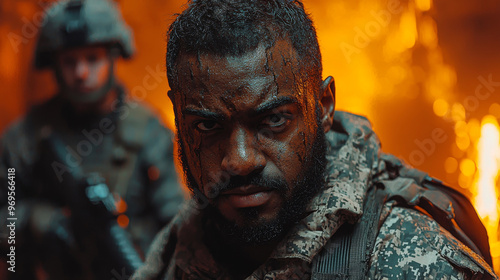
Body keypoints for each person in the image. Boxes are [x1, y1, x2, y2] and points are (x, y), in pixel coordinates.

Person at [133, 0, 497, 279]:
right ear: (178, 117)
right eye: (207, 127)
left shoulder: (411, 258)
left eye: (274, 120)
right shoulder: (179, 250)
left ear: (323, 106)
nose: (240, 160)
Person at [0, 0, 184, 279]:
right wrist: (39, 221)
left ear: (113, 57)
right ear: (54, 64)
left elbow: (176, 224)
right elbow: (5, 221)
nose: (81, 73)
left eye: (92, 59)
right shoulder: (25, 137)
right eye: (70, 61)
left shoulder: (147, 130)